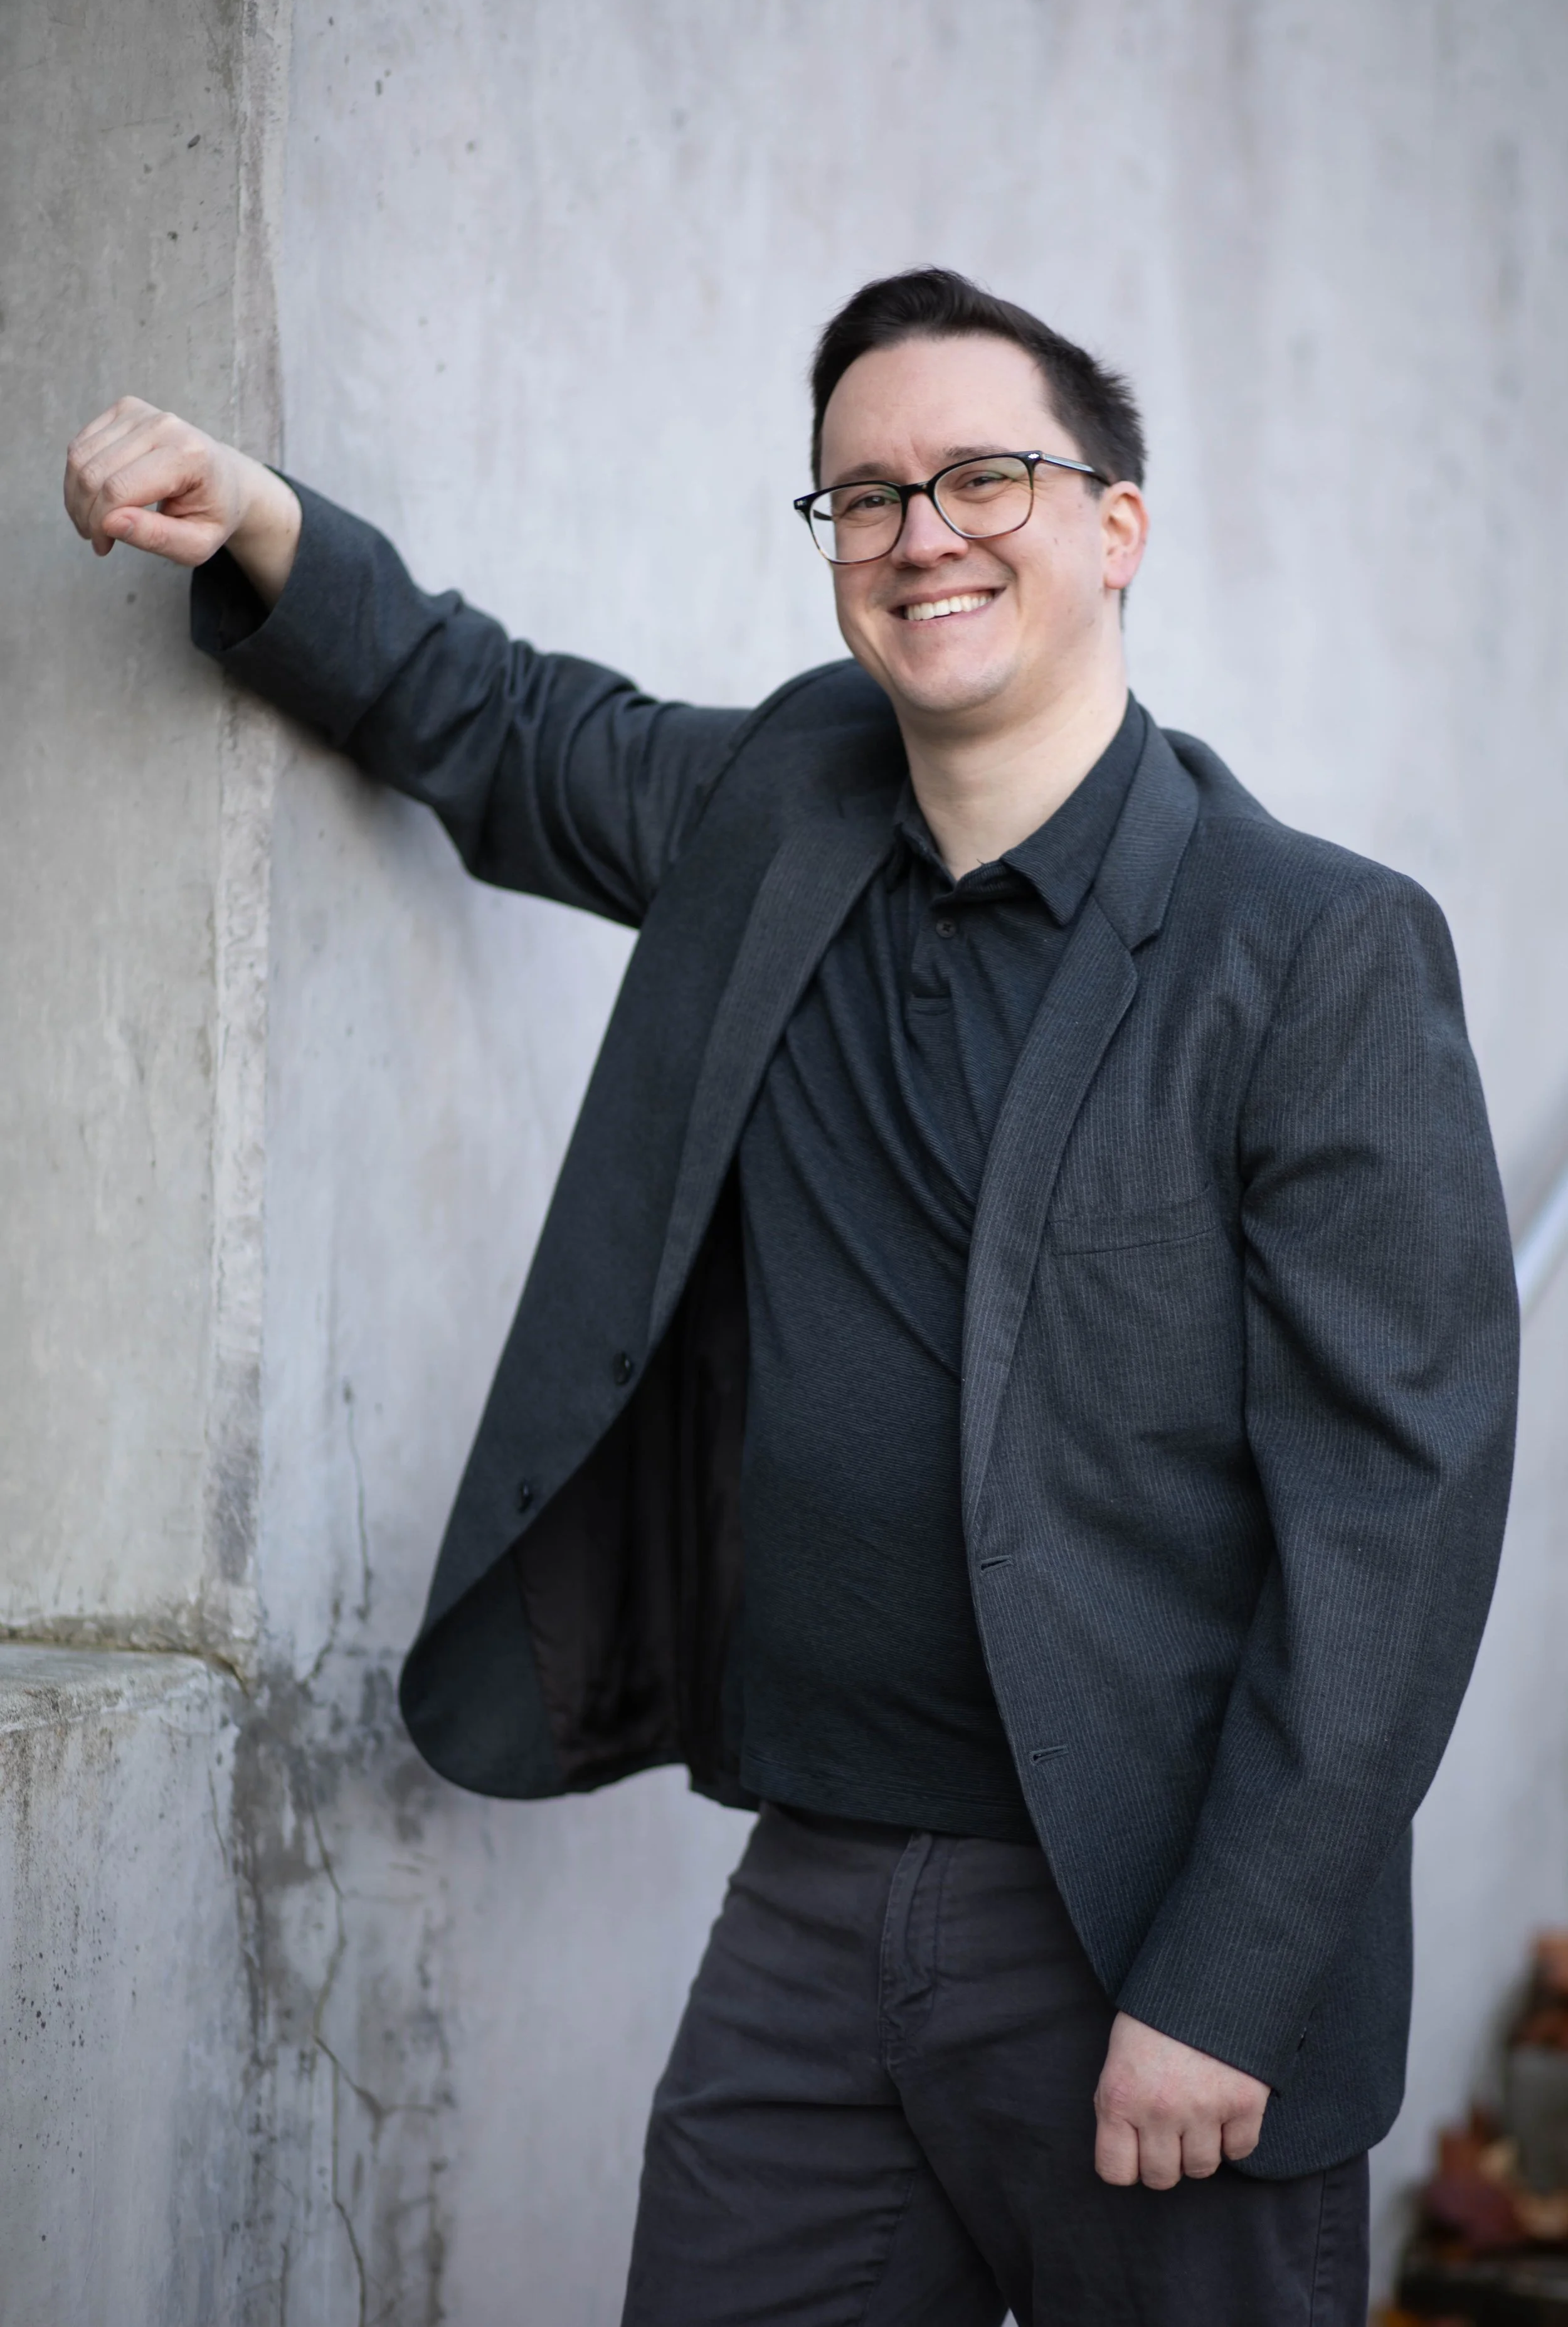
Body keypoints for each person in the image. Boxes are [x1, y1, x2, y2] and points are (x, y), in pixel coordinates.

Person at [64, 267, 1518, 2327]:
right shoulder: (788, 807)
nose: (921, 529)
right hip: (814, 1901)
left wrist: (1227, 1975)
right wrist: (263, 520)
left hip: (1150, 1937)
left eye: (982, 476)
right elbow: (504, 725)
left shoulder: (1312, 950)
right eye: (862, 494)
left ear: (1115, 526)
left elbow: (1399, 1518)